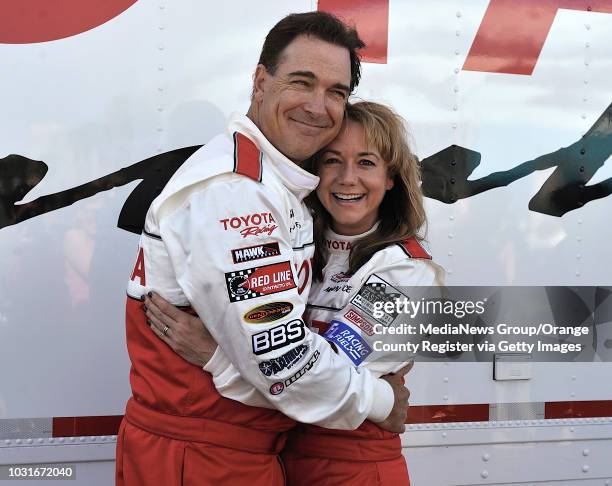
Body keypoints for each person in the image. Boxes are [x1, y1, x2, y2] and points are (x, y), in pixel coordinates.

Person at [117, 12, 410, 486]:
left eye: (336, 91)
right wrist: (381, 402)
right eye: (302, 82)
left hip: (235, 453)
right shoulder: (237, 190)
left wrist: (217, 353)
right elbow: (285, 363)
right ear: (260, 81)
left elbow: (281, 357)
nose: (319, 107)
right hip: (202, 458)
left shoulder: (277, 188)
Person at [144, 101, 445, 485]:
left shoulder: (405, 271)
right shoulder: (296, 245)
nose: (347, 178)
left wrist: (215, 355)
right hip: (285, 460)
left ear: (392, 178)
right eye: (332, 161)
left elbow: (315, 379)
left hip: (354, 469)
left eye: (366, 162)